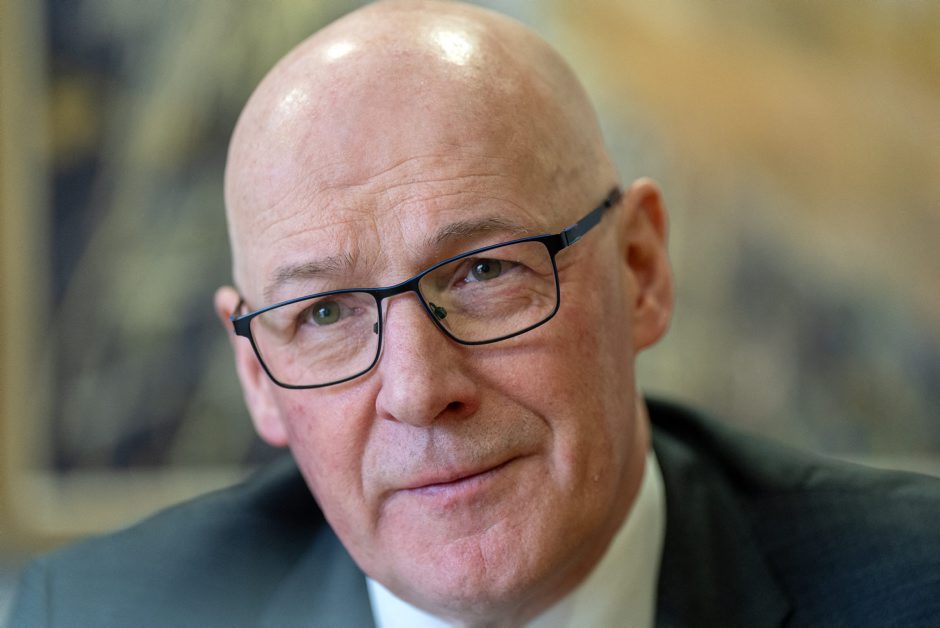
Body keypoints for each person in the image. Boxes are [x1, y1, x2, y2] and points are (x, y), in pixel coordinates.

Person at [7, 1, 939, 626]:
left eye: (485, 269)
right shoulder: (85, 617)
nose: (418, 392)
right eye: (324, 313)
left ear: (640, 271)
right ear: (256, 375)